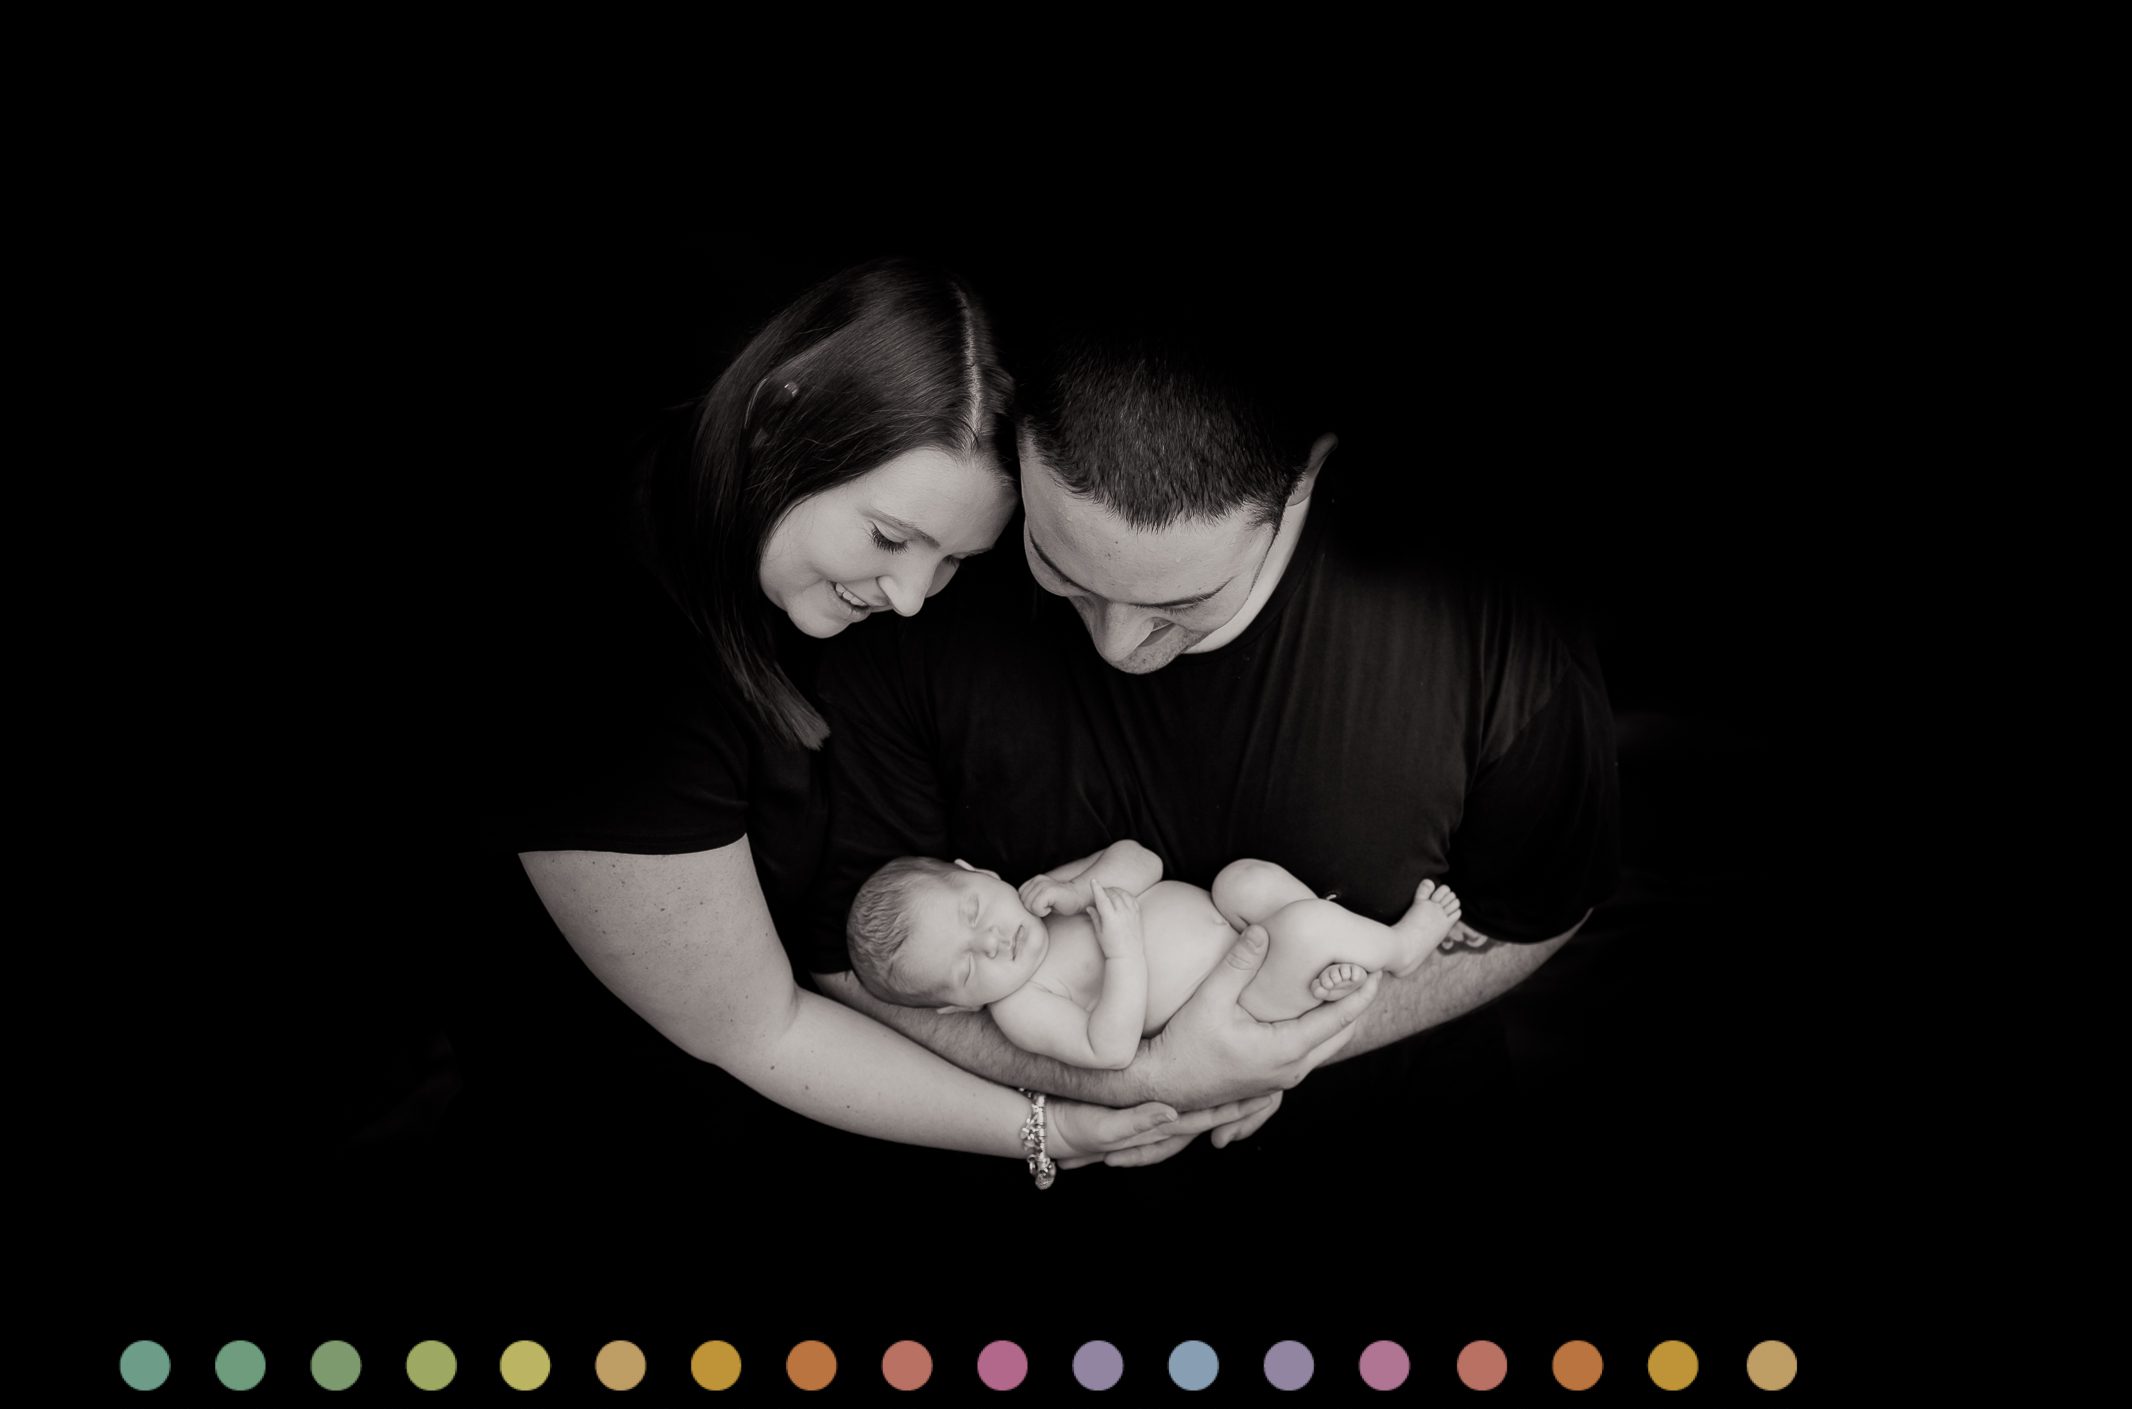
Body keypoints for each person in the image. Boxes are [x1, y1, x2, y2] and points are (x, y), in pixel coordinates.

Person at [482, 258, 1279, 1183]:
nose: (908, 596)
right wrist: (1055, 1129)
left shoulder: (806, 563)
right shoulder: (602, 673)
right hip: (656, 1133)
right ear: (779, 418)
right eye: (892, 538)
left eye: (952, 560)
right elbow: (759, 1029)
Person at [805, 290, 1621, 1164]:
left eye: (1180, 603)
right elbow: (841, 957)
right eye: (1060, 566)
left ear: (1302, 479)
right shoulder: (914, 592)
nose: (1118, 646)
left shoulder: (1495, 632)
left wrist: (1279, 1048)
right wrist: (1141, 1081)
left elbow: (1537, 908)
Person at [846, 842, 1463, 1070]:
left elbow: (1143, 860)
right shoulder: (1020, 1006)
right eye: (965, 969)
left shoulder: (1044, 897)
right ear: (958, 1009)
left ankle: (1327, 961)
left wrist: (1079, 889)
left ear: (977, 872)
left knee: (1244, 878)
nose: (989, 941)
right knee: (1300, 926)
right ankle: (1398, 948)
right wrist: (1121, 952)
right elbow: (1110, 1050)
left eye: (974, 912)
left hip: (1235, 919)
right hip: (1238, 997)